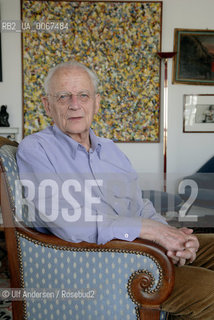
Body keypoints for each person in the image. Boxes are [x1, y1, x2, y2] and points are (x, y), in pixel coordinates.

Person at [17, 61, 214, 319]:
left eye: (83, 95)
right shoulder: (36, 149)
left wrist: (171, 235)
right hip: (105, 265)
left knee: (201, 245)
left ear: (96, 103)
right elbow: (69, 224)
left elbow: (139, 204)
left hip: (138, 249)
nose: (75, 104)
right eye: (63, 96)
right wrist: (151, 230)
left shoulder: (111, 151)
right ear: (47, 105)